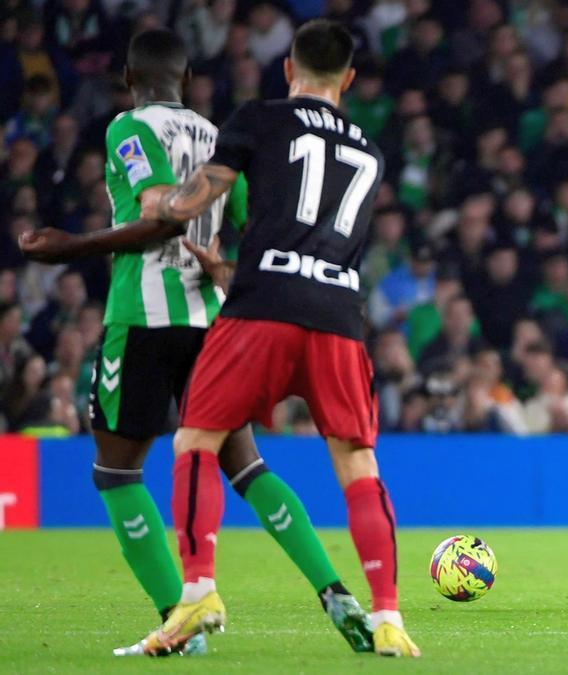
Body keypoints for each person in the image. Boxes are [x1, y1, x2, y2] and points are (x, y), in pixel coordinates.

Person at [19, 28, 372, 657]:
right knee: (246, 464)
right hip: (213, 322)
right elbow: (249, 228)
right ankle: (334, 591)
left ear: (130, 79)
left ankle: (178, 627)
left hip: (144, 316)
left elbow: (158, 212)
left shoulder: (128, 129)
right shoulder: (216, 135)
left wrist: (71, 249)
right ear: (186, 81)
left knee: (116, 471)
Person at [112, 21, 414, 657]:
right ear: (349, 80)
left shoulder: (262, 118)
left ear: (288, 70)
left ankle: (197, 593)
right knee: (358, 464)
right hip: (337, 314)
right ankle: (389, 617)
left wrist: (140, 217)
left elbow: (191, 203)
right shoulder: (369, 149)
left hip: (261, 308)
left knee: (196, 439)